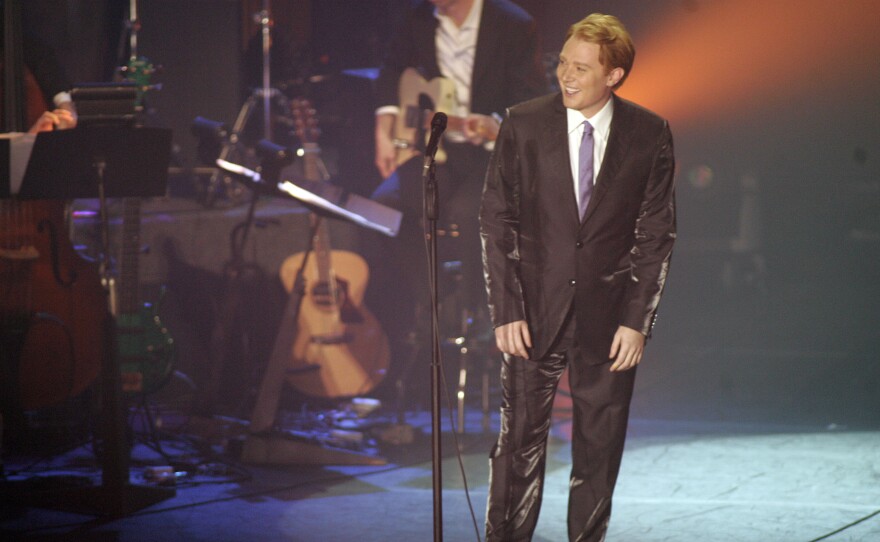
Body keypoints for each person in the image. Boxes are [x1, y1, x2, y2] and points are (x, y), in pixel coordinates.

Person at [480, 13, 676, 541]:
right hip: (533, 315)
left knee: (599, 448)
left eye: (581, 68)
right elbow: (496, 221)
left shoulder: (649, 134)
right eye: (563, 62)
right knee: (518, 447)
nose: (566, 75)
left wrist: (638, 322)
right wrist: (506, 311)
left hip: (609, 320)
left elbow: (656, 234)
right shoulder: (522, 123)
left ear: (613, 76)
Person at [368, 0, 547, 389]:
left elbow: (534, 98)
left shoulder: (513, 25)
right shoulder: (416, 17)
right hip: (439, 149)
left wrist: (496, 123)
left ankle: (482, 314)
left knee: (472, 211)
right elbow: (391, 71)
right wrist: (385, 128)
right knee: (384, 207)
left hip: (492, 153)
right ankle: (431, 304)